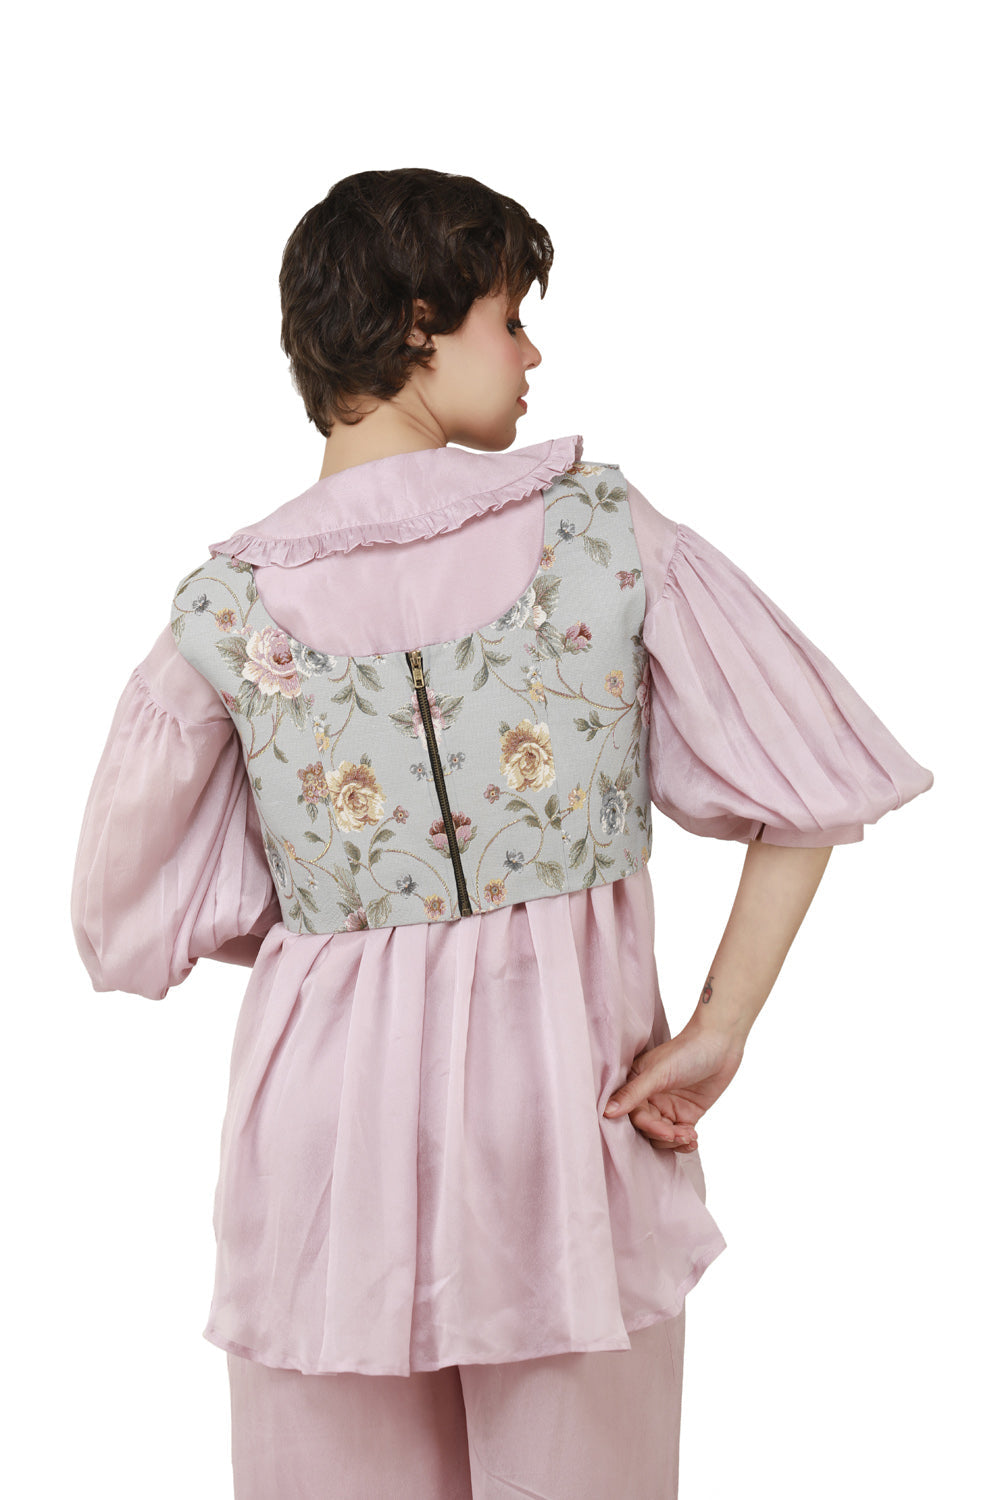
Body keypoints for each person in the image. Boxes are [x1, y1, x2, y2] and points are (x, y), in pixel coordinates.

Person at [71, 167, 933, 1499]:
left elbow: (121, 927)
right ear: (420, 324)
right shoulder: (599, 533)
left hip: (325, 1159)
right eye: (511, 317)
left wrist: (345, 912)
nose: (531, 356)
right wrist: (719, 1028)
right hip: (564, 1130)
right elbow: (811, 783)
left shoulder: (222, 614)